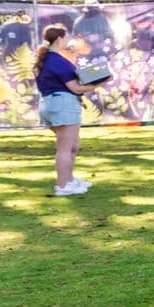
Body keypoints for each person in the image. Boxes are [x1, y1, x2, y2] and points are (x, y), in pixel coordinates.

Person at [34, 23, 104, 196]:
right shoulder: (56, 61)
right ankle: (63, 186)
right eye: (66, 37)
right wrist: (101, 82)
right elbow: (76, 88)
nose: (69, 40)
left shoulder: (51, 59)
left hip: (51, 104)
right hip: (63, 104)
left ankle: (69, 180)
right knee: (64, 148)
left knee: (73, 145)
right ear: (59, 39)